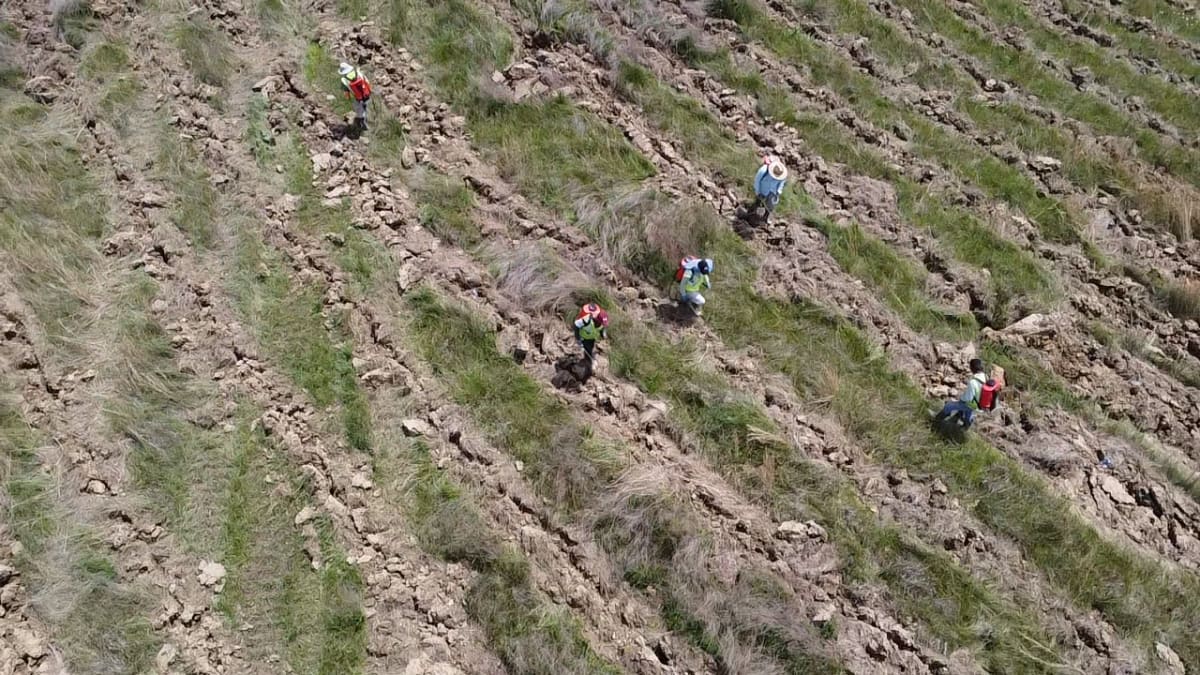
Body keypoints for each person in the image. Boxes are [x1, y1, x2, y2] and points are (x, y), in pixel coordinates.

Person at [933, 358, 990, 429]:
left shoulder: (973, 382)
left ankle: (936, 420)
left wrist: (959, 400)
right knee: (968, 413)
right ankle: (966, 425)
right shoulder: (986, 377)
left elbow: (968, 400)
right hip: (980, 405)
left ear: (972, 368)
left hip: (971, 404)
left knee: (948, 405)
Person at [753, 156, 788, 224]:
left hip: (772, 192)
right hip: (762, 190)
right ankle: (755, 216)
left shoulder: (782, 173)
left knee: (770, 206)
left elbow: (781, 183)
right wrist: (758, 192)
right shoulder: (763, 171)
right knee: (759, 203)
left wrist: (778, 192)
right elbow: (757, 181)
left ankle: (765, 218)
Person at [339, 62, 372, 131]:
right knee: (367, 108)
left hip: (358, 98)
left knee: (359, 109)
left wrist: (348, 99)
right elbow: (367, 81)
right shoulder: (358, 72)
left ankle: (362, 123)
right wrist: (369, 90)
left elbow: (346, 93)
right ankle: (369, 121)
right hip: (367, 94)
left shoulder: (344, 80)